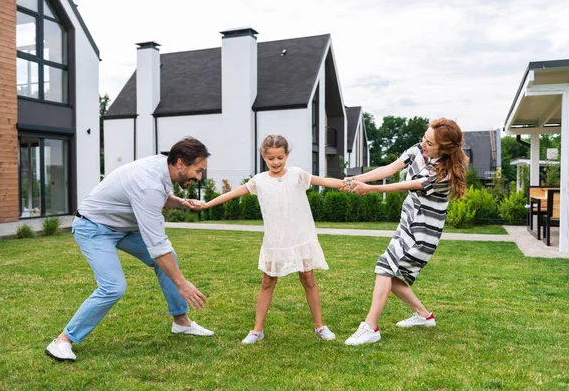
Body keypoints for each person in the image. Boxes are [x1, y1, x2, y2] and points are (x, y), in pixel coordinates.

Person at [46, 137, 213, 362]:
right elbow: (157, 245)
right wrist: (182, 284)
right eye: (198, 170)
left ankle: (181, 323)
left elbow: (159, 197)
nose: (199, 176)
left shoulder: (162, 166)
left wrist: (181, 203)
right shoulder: (148, 183)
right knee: (113, 287)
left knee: (168, 260)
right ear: (181, 163)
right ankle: (62, 341)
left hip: (122, 227)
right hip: (93, 227)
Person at [201, 135, 345, 344]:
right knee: (268, 281)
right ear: (264, 157)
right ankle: (257, 330)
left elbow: (324, 181)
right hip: (275, 241)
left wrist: (347, 183)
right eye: (271, 158)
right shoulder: (258, 181)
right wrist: (206, 205)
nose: (276, 162)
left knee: (308, 279)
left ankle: (320, 326)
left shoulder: (297, 175)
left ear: (287, 155)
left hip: (300, 237)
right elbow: (233, 194)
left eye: (280, 157)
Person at [343, 118, 468, 346]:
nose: (423, 144)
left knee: (384, 268)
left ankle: (371, 327)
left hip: (422, 234)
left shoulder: (442, 174)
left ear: (444, 150)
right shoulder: (416, 151)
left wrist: (369, 189)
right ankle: (424, 316)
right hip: (407, 225)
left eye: (429, 143)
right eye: (424, 137)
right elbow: (389, 169)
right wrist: (355, 178)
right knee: (393, 276)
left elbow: (402, 186)